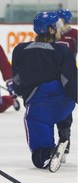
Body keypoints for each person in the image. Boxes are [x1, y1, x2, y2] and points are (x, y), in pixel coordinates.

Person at [11, 11, 77, 173]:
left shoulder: (20, 49)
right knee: (63, 102)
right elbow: (70, 81)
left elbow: (17, 80)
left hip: (38, 103)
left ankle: (46, 151)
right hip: (62, 104)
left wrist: (21, 92)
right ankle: (64, 136)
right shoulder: (62, 51)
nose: (61, 30)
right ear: (51, 29)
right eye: (58, 27)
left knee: (39, 155)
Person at [54, 9, 77, 162]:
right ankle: (59, 141)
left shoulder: (74, 35)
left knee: (66, 108)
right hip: (52, 76)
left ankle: (64, 140)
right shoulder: (51, 34)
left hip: (69, 76)